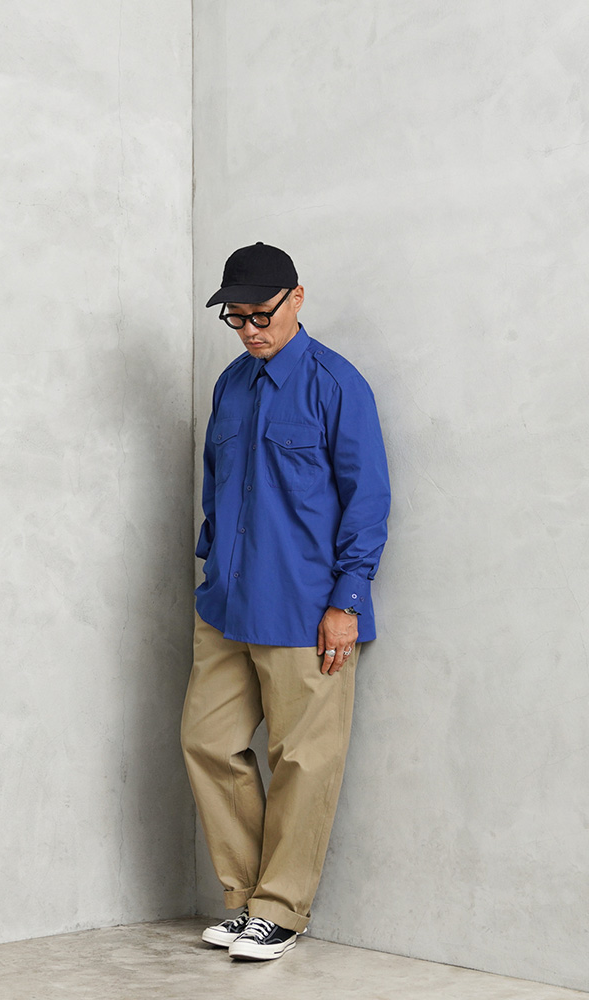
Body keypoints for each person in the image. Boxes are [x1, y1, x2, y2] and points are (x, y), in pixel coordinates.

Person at [181, 242, 391, 961]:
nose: (248, 330)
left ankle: (281, 910)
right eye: (235, 318)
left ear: (296, 299)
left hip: (307, 610)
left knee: (304, 759)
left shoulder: (337, 385)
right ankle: (246, 897)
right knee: (207, 741)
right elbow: (217, 484)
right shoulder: (231, 384)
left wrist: (347, 601)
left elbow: (368, 499)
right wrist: (211, 567)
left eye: (259, 315)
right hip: (227, 604)